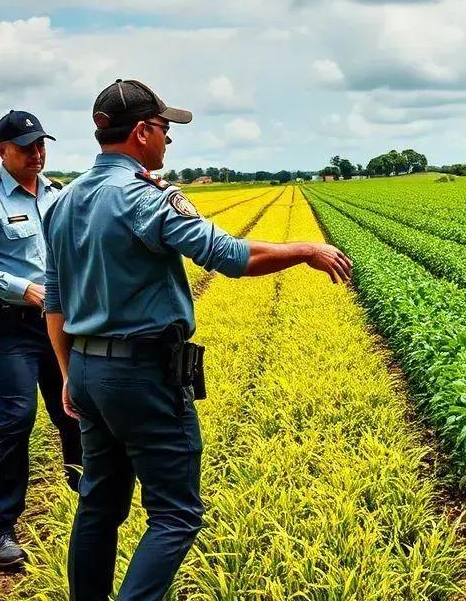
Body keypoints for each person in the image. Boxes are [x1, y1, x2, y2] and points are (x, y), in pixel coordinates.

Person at [42, 79, 353, 600]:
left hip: (88, 370)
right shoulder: (146, 199)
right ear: (142, 132)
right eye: (165, 129)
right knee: (175, 514)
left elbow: (55, 299)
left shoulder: (65, 199)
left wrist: (69, 373)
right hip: (141, 376)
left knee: (98, 505)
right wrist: (304, 249)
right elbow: (231, 257)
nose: (168, 140)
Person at [0, 110, 83, 569]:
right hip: (13, 328)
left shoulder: (59, 194)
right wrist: (22, 287)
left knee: (75, 408)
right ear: (1, 151)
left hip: (61, 323)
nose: (37, 153)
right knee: (16, 419)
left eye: (41, 145)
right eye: (26, 147)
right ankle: (1, 528)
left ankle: (87, 497)